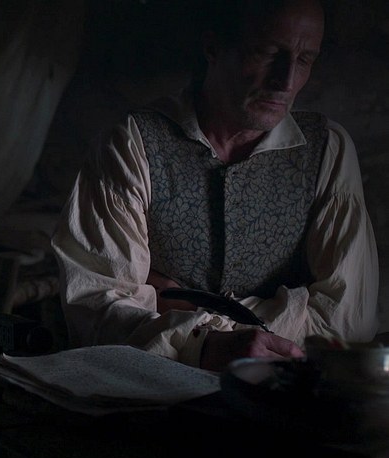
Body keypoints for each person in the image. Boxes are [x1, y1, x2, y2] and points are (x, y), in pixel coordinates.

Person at [51, 0, 382, 371]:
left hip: (280, 393)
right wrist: (204, 346)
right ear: (213, 47)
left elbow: (346, 324)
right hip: (155, 390)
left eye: (305, 59)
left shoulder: (328, 150)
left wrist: (185, 309)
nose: (286, 81)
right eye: (267, 53)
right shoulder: (133, 143)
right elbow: (97, 309)